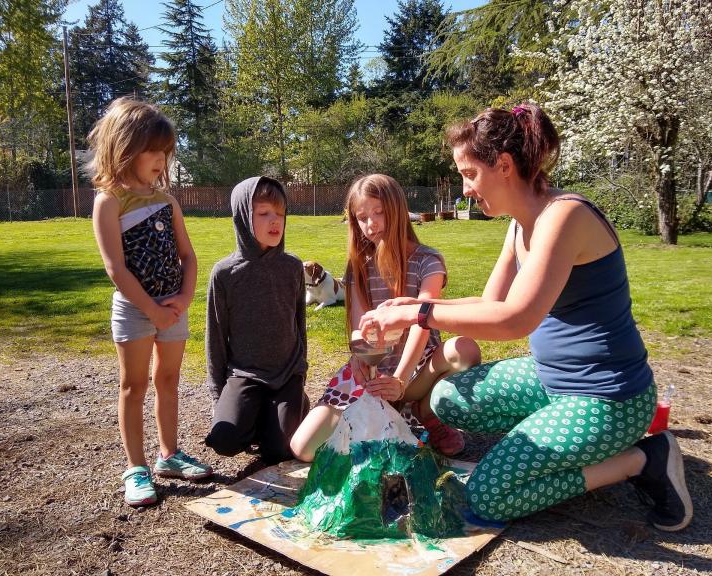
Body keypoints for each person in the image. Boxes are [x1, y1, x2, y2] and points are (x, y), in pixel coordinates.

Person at [358, 104, 693, 531]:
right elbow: (490, 302)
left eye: (469, 174)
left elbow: (514, 320)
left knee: (488, 495)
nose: (465, 190)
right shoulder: (519, 225)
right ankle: (563, 443)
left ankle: (642, 459)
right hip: (551, 379)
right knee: (447, 399)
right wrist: (405, 312)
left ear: (503, 165)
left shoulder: (565, 216)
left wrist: (419, 314)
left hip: (610, 399)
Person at [289, 174, 481, 462]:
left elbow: (423, 324)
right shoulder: (358, 266)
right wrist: (365, 368)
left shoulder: (428, 260)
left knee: (464, 349)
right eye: (362, 217)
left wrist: (400, 382)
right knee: (303, 448)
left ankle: (426, 413)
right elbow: (359, 329)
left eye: (379, 212)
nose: (371, 224)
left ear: (398, 209)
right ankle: (376, 427)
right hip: (374, 372)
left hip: (416, 372)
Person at [89, 97, 212, 507]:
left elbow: (188, 256)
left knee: (169, 381)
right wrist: (153, 309)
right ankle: (136, 468)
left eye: (165, 151)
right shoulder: (109, 202)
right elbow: (116, 269)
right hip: (135, 309)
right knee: (134, 385)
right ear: (124, 148)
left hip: (171, 307)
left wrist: (184, 297)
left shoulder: (167, 200)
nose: (162, 159)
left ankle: (169, 454)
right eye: (152, 151)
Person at [204, 177, 309, 464]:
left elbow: (299, 324)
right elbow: (215, 338)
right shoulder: (225, 273)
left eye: (281, 214)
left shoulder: (292, 267)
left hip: (287, 375)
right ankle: (257, 413)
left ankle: (294, 404)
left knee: (278, 451)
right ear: (242, 216)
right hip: (245, 375)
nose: (275, 221)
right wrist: (217, 396)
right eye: (264, 213)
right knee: (224, 440)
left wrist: (300, 371)